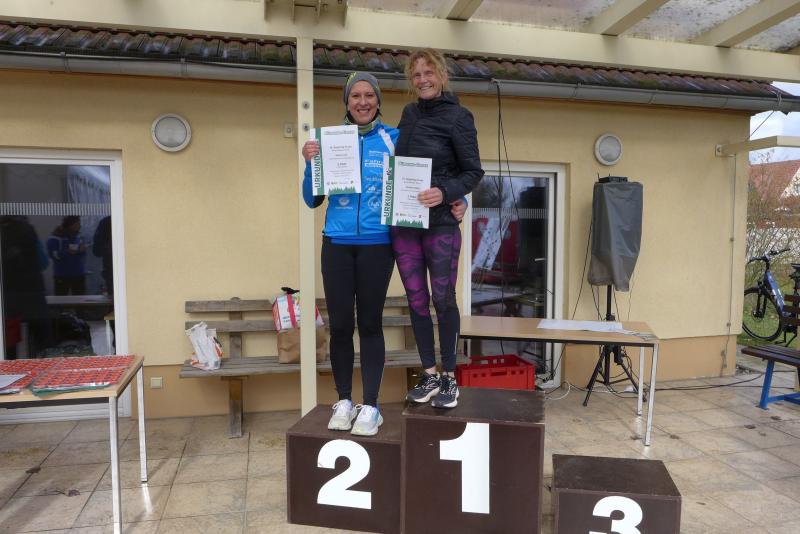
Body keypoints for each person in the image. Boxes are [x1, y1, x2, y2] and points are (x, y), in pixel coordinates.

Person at [302, 72, 466, 435]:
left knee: (370, 325)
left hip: (378, 245)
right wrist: (311, 163)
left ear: (378, 101)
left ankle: (371, 406)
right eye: (355, 96)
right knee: (340, 326)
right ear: (347, 102)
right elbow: (312, 199)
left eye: (369, 95)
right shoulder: (329, 141)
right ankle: (344, 400)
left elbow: (429, 172)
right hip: (337, 244)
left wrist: (459, 198)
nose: (362, 102)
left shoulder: (395, 138)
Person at [394, 49, 484, 409]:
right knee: (416, 301)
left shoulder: (460, 117)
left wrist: (446, 193)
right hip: (406, 223)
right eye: (416, 75)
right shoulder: (408, 114)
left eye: (429, 73)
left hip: (442, 224)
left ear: (442, 76)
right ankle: (429, 374)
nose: (423, 80)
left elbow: (473, 171)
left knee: (443, 300)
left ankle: (449, 377)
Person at [47, 216, 88, 296]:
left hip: (79, 273)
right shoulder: (55, 238)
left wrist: (82, 250)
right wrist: (67, 252)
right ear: (70, 225)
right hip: (62, 274)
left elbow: (83, 255)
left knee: (80, 299)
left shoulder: (79, 237)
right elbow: (53, 255)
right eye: (77, 224)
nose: (79, 226)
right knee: (61, 299)